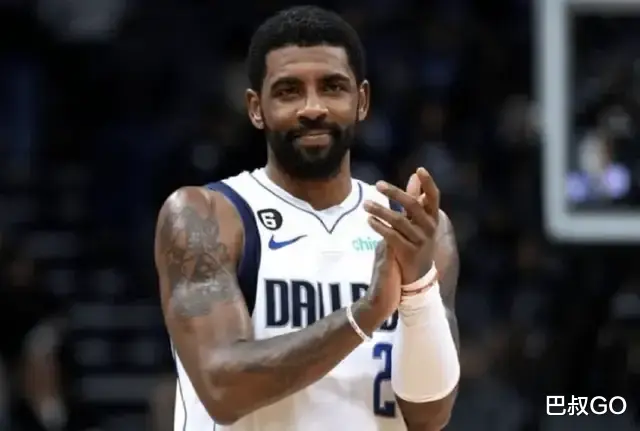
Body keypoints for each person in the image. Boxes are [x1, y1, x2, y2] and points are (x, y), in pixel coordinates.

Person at [155, 5, 460, 430]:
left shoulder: (417, 230)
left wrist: (419, 292)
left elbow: (430, 416)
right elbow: (223, 389)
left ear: (362, 101)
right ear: (256, 108)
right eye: (289, 91)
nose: (313, 108)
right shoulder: (207, 216)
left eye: (333, 87)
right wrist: (365, 314)